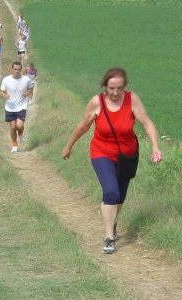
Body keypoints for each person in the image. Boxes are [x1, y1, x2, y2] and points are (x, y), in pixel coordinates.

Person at [62, 67, 162, 254]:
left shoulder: (132, 100)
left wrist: (155, 146)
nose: (115, 93)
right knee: (111, 192)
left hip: (127, 155)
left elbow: (147, 123)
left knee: (121, 196)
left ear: (125, 87)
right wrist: (69, 147)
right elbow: (83, 126)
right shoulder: (96, 102)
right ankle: (109, 238)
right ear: (105, 87)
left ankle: (113, 221)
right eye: (111, 88)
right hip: (102, 152)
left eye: (120, 88)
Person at [0, 62, 33, 153]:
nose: (16, 71)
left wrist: (27, 93)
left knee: (19, 125)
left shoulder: (26, 80)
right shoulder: (6, 80)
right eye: (15, 69)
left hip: (21, 105)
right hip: (10, 106)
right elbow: (1, 91)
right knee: (13, 127)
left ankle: (21, 133)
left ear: (21, 70)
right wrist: (5, 96)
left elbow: (31, 88)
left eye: (18, 69)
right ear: (12, 69)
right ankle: (14, 145)